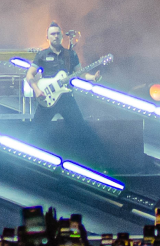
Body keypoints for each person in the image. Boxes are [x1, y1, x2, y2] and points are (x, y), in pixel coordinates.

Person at [26, 22, 107, 164]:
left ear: (62, 36)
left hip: (66, 98)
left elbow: (80, 74)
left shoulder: (70, 54)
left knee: (80, 128)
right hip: (47, 97)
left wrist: (93, 77)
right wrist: (37, 90)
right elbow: (29, 75)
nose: (55, 36)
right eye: (52, 34)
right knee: (36, 131)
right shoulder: (42, 55)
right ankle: (26, 161)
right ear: (47, 37)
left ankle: (90, 163)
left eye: (58, 33)